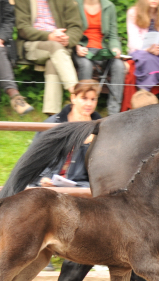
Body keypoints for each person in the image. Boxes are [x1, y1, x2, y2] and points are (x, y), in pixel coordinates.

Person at [31, 80, 101, 270]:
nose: (89, 103)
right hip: (49, 179)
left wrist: (90, 144)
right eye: (84, 98)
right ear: (73, 98)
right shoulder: (54, 123)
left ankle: (80, 255)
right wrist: (42, 178)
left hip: (82, 184)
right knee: (37, 195)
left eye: (93, 99)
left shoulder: (100, 129)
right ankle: (40, 253)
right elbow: (36, 157)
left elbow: (101, 168)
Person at [14, 0, 82, 115]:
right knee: (55, 47)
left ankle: (52, 115)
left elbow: (76, 26)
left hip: (60, 47)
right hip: (33, 44)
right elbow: (22, 28)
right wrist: (49, 36)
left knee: (53, 62)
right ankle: (76, 94)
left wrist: (67, 39)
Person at [72, 0, 126, 115]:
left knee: (119, 66)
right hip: (83, 50)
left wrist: (115, 48)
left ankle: (114, 113)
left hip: (102, 51)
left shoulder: (108, 6)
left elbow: (113, 35)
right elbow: (71, 29)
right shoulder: (75, 4)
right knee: (86, 65)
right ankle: (83, 110)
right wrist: (77, 46)